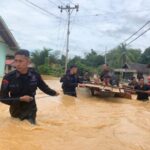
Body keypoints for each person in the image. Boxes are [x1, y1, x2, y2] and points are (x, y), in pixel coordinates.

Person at [0, 50, 59, 124]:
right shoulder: (8, 78)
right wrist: (20, 99)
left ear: (28, 61)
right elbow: (2, 98)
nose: (17, 64)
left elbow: (44, 88)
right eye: (16, 61)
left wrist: (54, 93)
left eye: (20, 61)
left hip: (30, 110)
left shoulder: (35, 75)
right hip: (15, 111)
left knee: (31, 129)